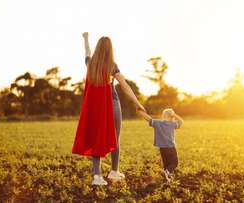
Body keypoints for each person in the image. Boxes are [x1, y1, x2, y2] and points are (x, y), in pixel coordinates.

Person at [72, 32, 145, 186]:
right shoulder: (112, 66)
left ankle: (97, 176)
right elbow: (124, 85)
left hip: (95, 107)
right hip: (112, 104)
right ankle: (114, 171)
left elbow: (87, 52)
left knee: (96, 137)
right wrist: (137, 103)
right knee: (115, 137)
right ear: (110, 50)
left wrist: (85, 39)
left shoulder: (90, 64)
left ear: (98, 48)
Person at [137, 108, 183, 182]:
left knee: (166, 164)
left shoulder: (158, 123)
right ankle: (167, 172)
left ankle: (167, 177)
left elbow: (149, 119)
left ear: (163, 116)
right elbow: (181, 122)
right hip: (171, 147)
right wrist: (175, 115)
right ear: (172, 116)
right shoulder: (173, 124)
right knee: (174, 163)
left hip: (162, 148)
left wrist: (141, 112)